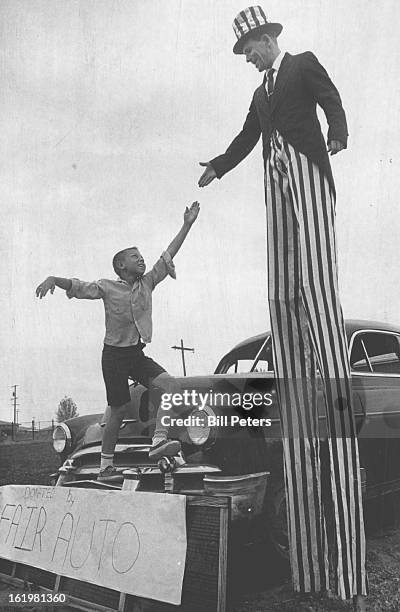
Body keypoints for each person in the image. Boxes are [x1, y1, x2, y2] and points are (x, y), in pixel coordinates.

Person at [198, 6, 366, 611]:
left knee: (316, 279)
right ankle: (308, 573)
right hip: (273, 181)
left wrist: (339, 135)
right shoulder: (260, 95)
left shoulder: (300, 66)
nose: (249, 58)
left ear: (268, 39)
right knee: (282, 284)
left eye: (251, 48)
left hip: (307, 169)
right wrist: (219, 165)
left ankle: (346, 581)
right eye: (245, 53)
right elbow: (247, 137)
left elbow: (333, 100)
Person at [36, 201, 200, 482]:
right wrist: (55, 278)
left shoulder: (148, 283)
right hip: (113, 356)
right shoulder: (108, 286)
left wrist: (187, 224)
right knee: (118, 409)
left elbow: (168, 254)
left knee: (170, 385)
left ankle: (159, 441)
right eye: (135, 257)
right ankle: (105, 466)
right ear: (121, 265)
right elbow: (80, 287)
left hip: (136, 355)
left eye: (141, 256)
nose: (142, 260)